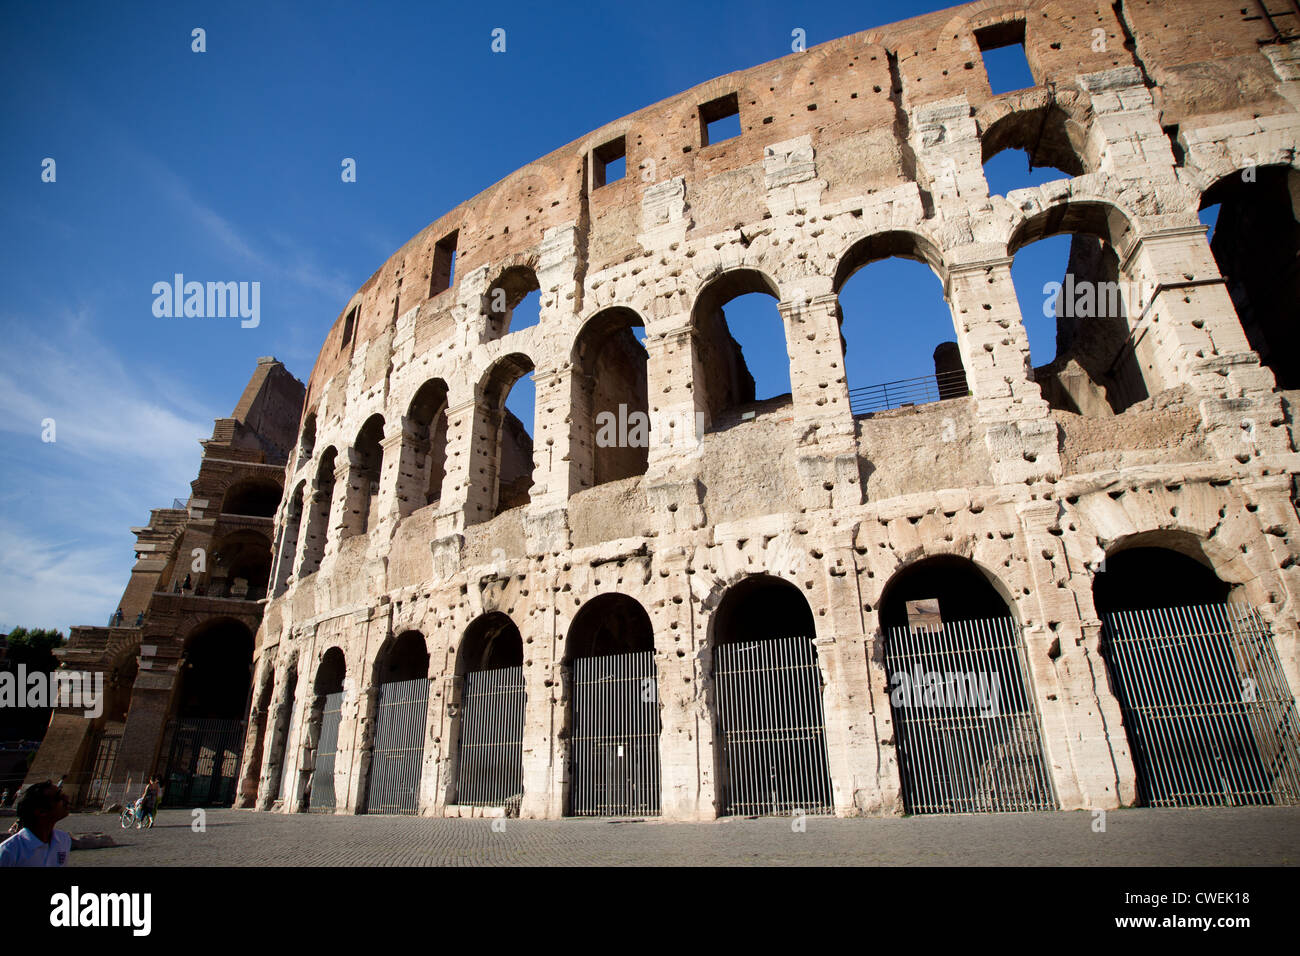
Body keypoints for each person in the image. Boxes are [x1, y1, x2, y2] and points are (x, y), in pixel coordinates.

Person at [0, 781, 71, 866]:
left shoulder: (64, 840)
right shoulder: (9, 851)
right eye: (59, 797)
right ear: (41, 811)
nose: (67, 798)